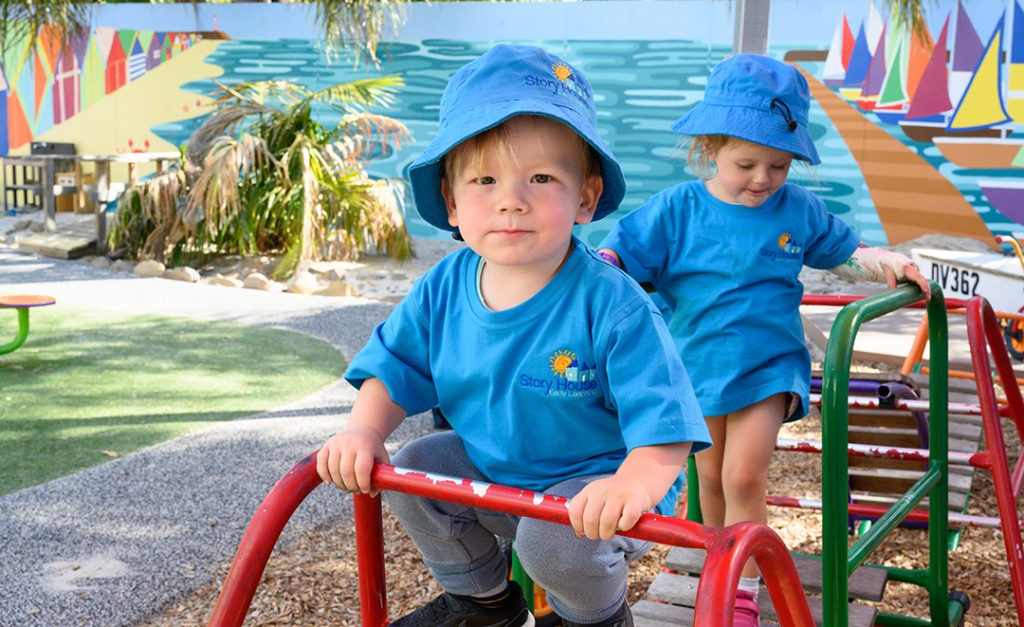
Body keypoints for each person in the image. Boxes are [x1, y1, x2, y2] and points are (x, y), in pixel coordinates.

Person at [316, 44, 712, 627]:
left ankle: (593, 620)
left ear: (586, 197)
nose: (511, 199)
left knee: (552, 543)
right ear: (451, 201)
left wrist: (632, 482)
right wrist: (362, 431)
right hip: (494, 471)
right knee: (414, 466)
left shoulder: (612, 303)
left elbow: (665, 424)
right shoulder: (446, 285)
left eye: (541, 177)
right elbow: (395, 364)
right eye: (484, 179)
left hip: (595, 487)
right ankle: (484, 603)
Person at [596, 54, 930, 627]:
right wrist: (587, 280)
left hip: (768, 367)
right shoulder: (678, 209)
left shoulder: (796, 209)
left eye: (778, 165)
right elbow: (617, 257)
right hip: (697, 366)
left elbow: (845, 253)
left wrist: (888, 265)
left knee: (743, 477)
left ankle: (744, 591)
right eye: (746, 162)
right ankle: (719, 568)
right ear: (709, 149)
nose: (762, 179)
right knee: (709, 480)